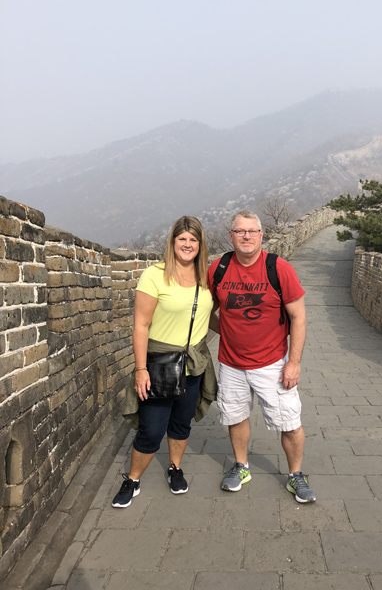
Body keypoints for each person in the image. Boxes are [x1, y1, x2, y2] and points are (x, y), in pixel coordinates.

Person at [207, 210, 316, 503]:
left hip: (272, 362)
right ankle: (241, 466)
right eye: (240, 231)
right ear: (230, 236)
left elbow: (299, 318)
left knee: (289, 421)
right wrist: (226, 332)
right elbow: (206, 310)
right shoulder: (218, 268)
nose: (246, 236)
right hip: (231, 363)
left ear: (261, 235)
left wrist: (293, 362)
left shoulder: (279, 268)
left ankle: (295, 474)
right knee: (235, 415)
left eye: (252, 231)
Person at [112, 216, 216, 508]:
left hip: (194, 363)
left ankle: (174, 468)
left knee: (181, 423)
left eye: (193, 239)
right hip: (159, 364)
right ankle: (132, 479)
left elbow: (210, 317)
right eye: (182, 239)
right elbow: (141, 325)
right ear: (172, 242)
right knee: (152, 429)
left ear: (200, 244)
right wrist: (140, 368)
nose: (187, 244)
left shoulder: (205, 277)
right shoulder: (154, 275)